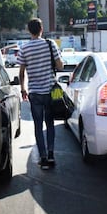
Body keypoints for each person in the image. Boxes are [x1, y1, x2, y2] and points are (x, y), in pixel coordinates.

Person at [17, 18, 64, 170]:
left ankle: (42, 157)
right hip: (50, 91)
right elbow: (60, 66)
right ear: (41, 29)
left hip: (35, 93)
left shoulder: (24, 48)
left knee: (37, 126)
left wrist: (23, 89)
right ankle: (51, 155)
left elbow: (21, 72)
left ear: (29, 30)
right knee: (49, 124)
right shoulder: (50, 44)